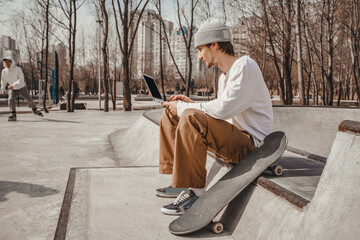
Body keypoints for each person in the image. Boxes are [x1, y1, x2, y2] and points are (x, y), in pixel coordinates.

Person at [155, 19, 273, 215]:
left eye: (201, 50)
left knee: (189, 116)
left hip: (251, 145)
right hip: (234, 137)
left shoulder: (245, 66)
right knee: (171, 112)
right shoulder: (224, 76)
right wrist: (191, 105)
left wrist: (187, 109)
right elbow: (223, 114)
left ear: (215, 45)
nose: (200, 57)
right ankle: (180, 180)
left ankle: (196, 194)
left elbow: (224, 109)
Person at [1, 57, 43, 121]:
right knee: (11, 99)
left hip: (22, 87)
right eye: (5, 62)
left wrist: (13, 85)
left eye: (8, 62)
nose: (7, 63)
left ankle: (34, 110)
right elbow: (3, 80)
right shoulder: (4, 71)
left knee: (29, 99)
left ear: (11, 62)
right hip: (13, 89)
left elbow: (20, 80)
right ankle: (12, 114)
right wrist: (3, 89)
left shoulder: (17, 69)